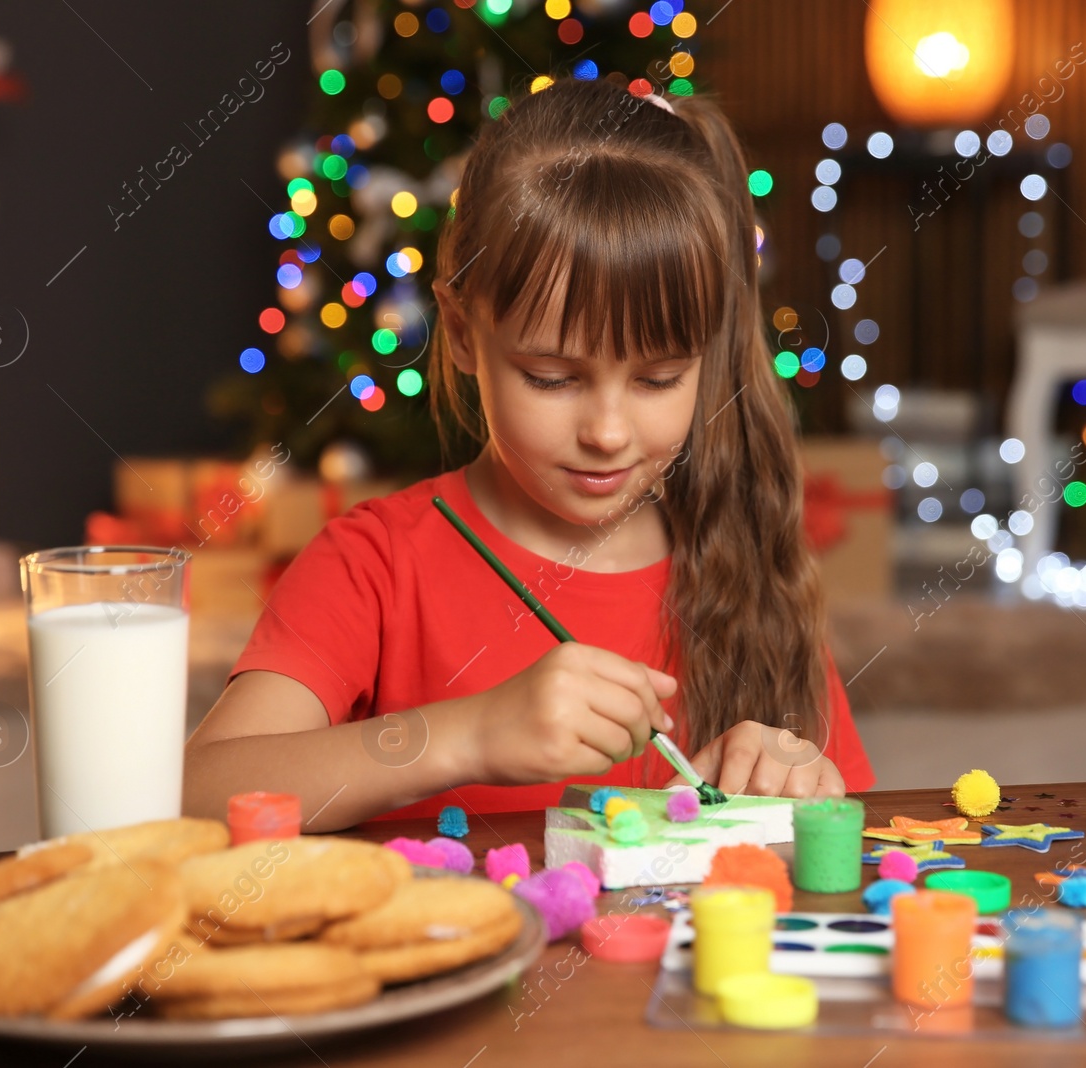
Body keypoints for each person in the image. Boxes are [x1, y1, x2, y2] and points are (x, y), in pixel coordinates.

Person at [185, 78, 874, 832]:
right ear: (459, 330)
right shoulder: (375, 566)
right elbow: (195, 795)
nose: (607, 432)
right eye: (552, 376)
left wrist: (803, 779)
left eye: (658, 378)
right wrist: (467, 735)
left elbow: (843, 830)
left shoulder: (749, 565)